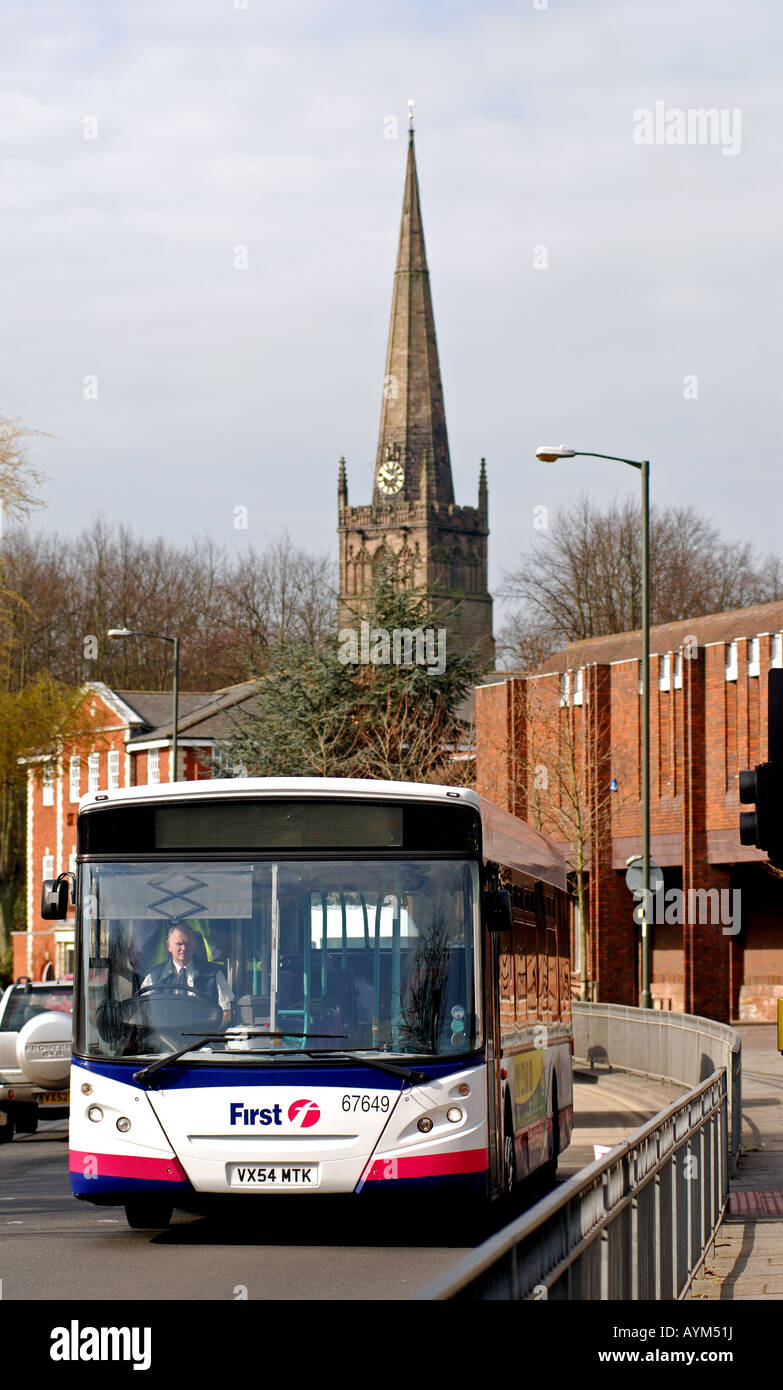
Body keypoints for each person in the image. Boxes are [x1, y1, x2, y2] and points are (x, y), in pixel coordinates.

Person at [140, 924, 234, 1026]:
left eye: (188, 944)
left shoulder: (213, 974)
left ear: (194, 945)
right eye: (179, 944)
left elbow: (227, 1012)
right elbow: (142, 1012)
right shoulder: (154, 976)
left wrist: (214, 1037)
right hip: (163, 1038)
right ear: (169, 946)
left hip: (204, 1039)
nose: (184, 948)